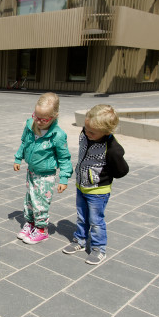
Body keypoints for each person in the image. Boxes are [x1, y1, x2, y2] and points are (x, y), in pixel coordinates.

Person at [62, 104, 129, 265]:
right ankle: (80, 240)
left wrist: (101, 176)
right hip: (81, 185)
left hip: (98, 190)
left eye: (92, 132)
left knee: (96, 220)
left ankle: (99, 248)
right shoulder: (85, 134)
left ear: (106, 132)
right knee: (81, 216)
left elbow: (122, 170)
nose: (87, 133)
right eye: (85, 128)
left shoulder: (112, 148)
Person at [13, 92, 73, 244]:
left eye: (43, 119)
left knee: (41, 202)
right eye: (36, 116)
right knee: (29, 199)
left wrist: (64, 178)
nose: (38, 122)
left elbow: (64, 158)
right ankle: (31, 223)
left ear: (54, 116)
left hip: (46, 175)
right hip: (31, 171)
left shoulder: (58, 135)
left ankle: (41, 229)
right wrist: (18, 157)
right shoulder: (30, 125)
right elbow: (24, 142)